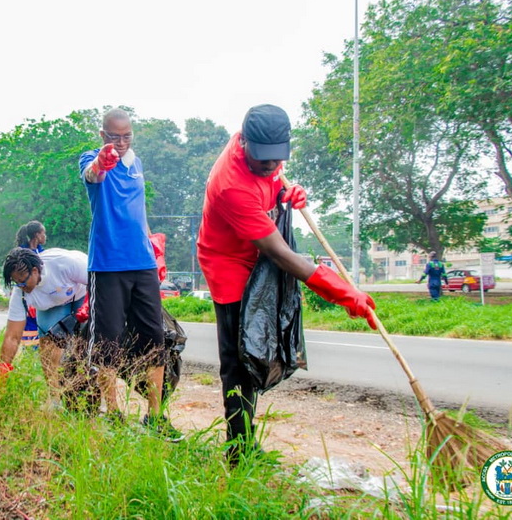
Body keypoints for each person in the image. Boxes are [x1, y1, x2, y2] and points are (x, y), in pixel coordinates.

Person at [197, 104, 377, 462]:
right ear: (244, 142)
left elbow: (271, 181)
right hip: (229, 262)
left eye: (277, 158)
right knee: (240, 358)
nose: (270, 165)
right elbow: (282, 255)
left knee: (260, 350)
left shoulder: (262, 154)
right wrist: (342, 291)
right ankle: (238, 449)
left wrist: (282, 193)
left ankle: (243, 440)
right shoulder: (229, 185)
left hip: (257, 252)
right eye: (263, 159)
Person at [79, 108, 183, 441]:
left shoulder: (136, 163)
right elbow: (92, 175)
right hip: (107, 266)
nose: (120, 143)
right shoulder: (92, 158)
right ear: (102, 136)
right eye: (113, 137)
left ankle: (155, 416)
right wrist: (102, 161)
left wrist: (154, 247)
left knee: (154, 339)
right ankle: (113, 414)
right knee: (108, 343)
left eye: (126, 137)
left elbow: (138, 211)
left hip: (143, 266)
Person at [0, 247, 88, 402]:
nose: (21, 286)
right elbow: (12, 337)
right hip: (51, 305)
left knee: (83, 344)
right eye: (17, 283)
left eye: (23, 281)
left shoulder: (64, 264)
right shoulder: (21, 293)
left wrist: (86, 311)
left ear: (35, 270)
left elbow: (98, 282)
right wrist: (1, 375)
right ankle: (54, 398)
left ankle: (83, 392)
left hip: (82, 292)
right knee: (47, 346)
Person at [16, 221, 48, 351]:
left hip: (41, 294)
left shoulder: (42, 252)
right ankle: (29, 354)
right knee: (29, 327)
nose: (45, 236)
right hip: (27, 295)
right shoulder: (22, 253)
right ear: (37, 235)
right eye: (43, 233)